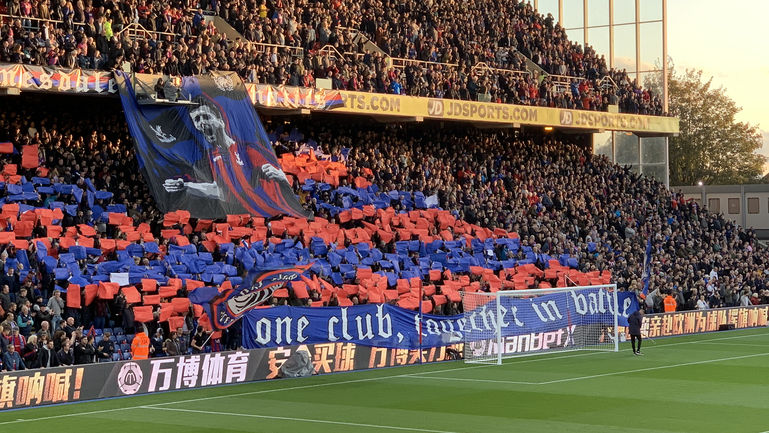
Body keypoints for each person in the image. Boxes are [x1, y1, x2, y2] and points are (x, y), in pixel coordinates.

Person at [161, 95, 311, 219]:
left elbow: (277, 178)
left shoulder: (248, 150)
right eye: (197, 120)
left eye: (205, 116)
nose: (202, 123)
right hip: (240, 217)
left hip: (265, 215)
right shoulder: (210, 159)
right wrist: (186, 185)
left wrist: (280, 176)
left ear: (220, 120)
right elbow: (219, 191)